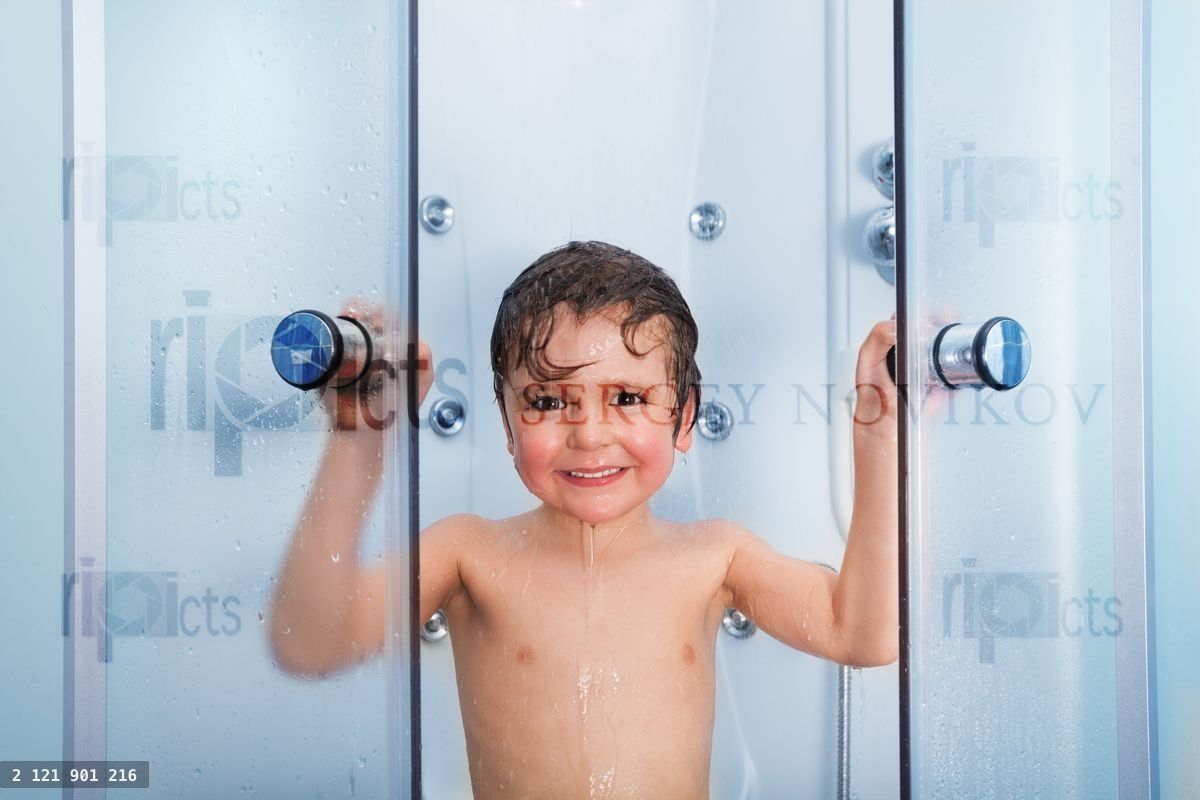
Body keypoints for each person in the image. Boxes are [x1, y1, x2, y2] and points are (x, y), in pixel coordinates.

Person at [269, 240, 898, 798]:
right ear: (507, 420)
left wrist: (881, 432)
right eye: (547, 401)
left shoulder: (716, 558)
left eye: (627, 398)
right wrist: (361, 437)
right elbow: (311, 644)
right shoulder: (468, 555)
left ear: (683, 418)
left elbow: (861, 633)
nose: (590, 434)